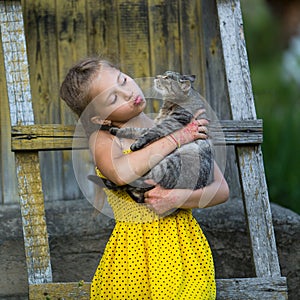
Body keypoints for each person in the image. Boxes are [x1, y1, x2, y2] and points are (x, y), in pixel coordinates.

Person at [60, 56, 229, 300]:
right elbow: (121, 173)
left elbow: (221, 190)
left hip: (184, 250)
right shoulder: (105, 139)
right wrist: (177, 139)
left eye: (124, 80)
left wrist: (176, 198)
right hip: (134, 258)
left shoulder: (176, 124)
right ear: (101, 118)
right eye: (113, 98)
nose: (128, 92)